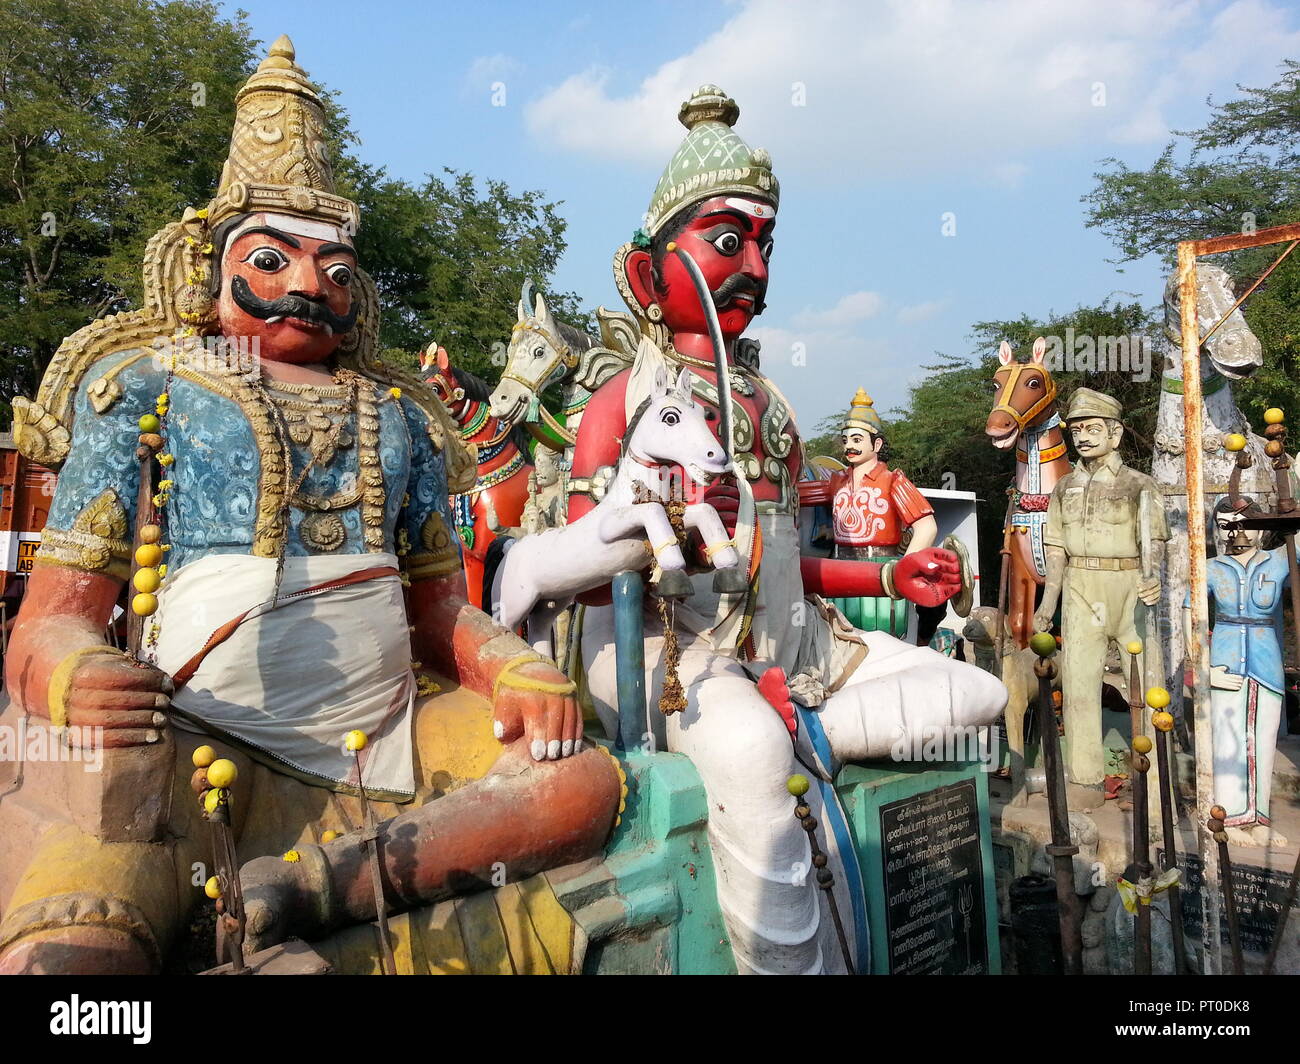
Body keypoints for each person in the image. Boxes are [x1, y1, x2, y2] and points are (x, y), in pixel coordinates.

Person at [554, 85, 1007, 974]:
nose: (755, 268)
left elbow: (787, 565)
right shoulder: (622, 403)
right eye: (729, 242)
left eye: (766, 245)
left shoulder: (774, 408)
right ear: (647, 274)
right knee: (750, 752)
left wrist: (889, 579)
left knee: (973, 693)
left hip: (795, 649)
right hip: (668, 655)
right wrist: (667, 536)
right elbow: (584, 577)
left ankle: (816, 733)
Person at [1034, 387, 1167, 809]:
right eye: (1076, 430)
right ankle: (1085, 779)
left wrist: (1153, 578)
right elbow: (1056, 547)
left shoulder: (1139, 485)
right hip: (1079, 585)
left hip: (1130, 587)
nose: (1083, 437)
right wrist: (1048, 602)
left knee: (1147, 685)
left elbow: (1154, 542)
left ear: (1115, 434)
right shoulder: (1064, 488)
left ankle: (1154, 783)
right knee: (1078, 685)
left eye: (1092, 428)